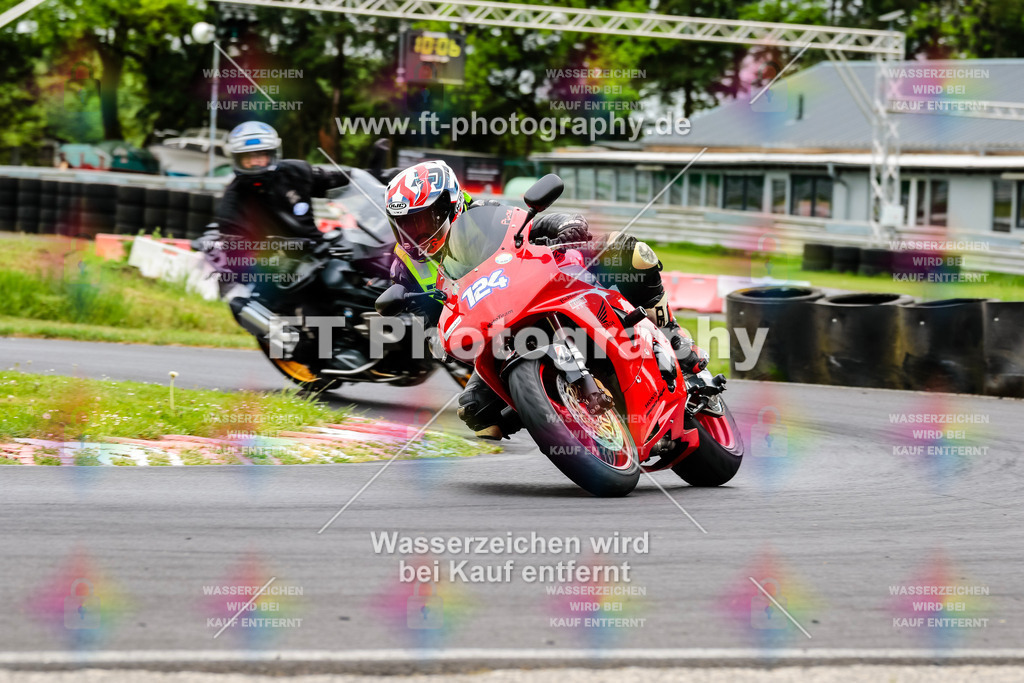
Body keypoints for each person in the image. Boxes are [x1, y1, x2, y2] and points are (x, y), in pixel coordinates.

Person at [382, 161, 709, 440]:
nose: (415, 233)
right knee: (477, 414)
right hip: (496, 335)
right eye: (405, 225)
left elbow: (536, 223)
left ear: (449, 204)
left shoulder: (483, 214)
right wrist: (430, 336)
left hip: (543, 288)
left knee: (632, 253)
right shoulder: (405, 266)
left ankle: (671, 332)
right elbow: (426, 324)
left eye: (421, 220)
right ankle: (550, 409)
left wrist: (567, 227)